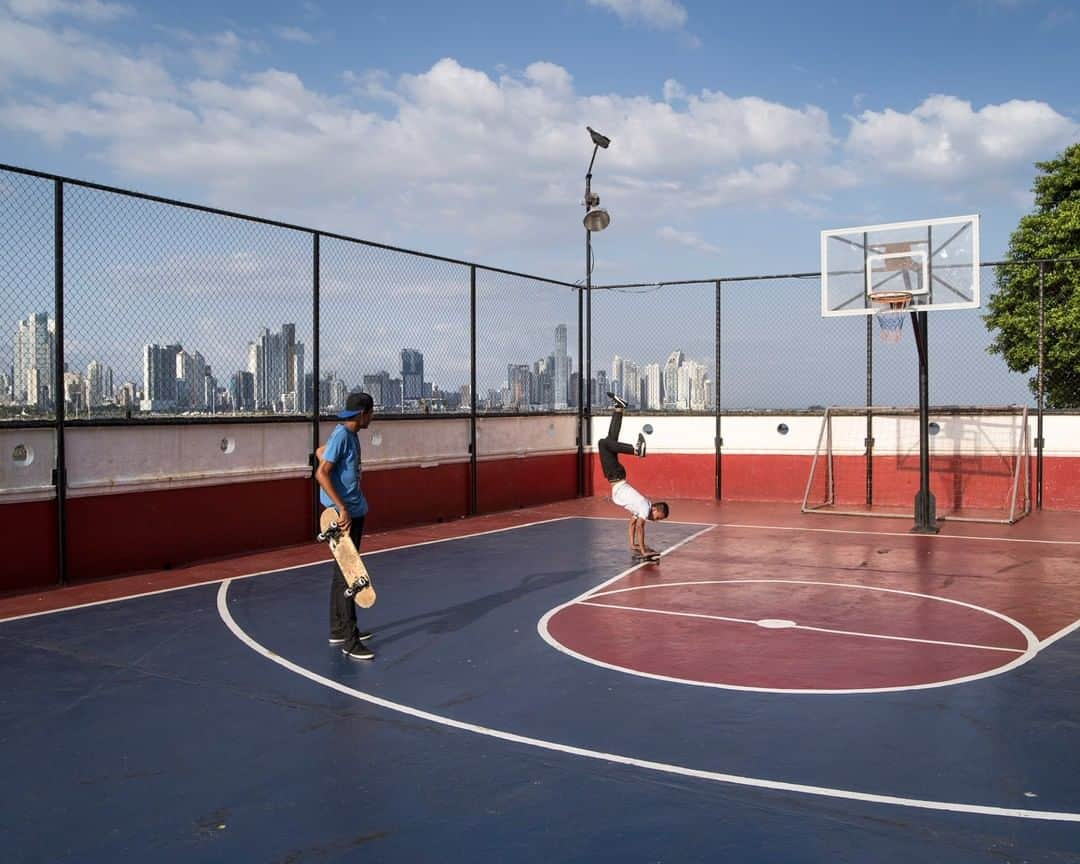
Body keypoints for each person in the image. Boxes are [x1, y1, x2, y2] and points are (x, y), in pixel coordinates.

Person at [315, 391, 376, 660]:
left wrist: (323, 455)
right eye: (371, 413)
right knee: (350, 576)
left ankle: (338, 629)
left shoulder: (347, 435)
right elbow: (322, 472)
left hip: (353, 512)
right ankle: (350, 641)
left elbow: (322, 454)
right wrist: (340, 508)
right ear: (363, 414)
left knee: (341, 573)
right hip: (345, 517)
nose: (372, 418)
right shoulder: (342, 435)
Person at [599, 392, 669, 557]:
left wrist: (633, 545)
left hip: (616, 477)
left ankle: (619, 408)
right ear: (657, 510)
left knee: (610, 440)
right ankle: (636, 450)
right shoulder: (645, 507)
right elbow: (639, 526)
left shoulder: (640, 508)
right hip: (615, 475)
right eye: (659, 517)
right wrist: (644, 550)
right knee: (603, 443)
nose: (657, 521)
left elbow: (632, 524)